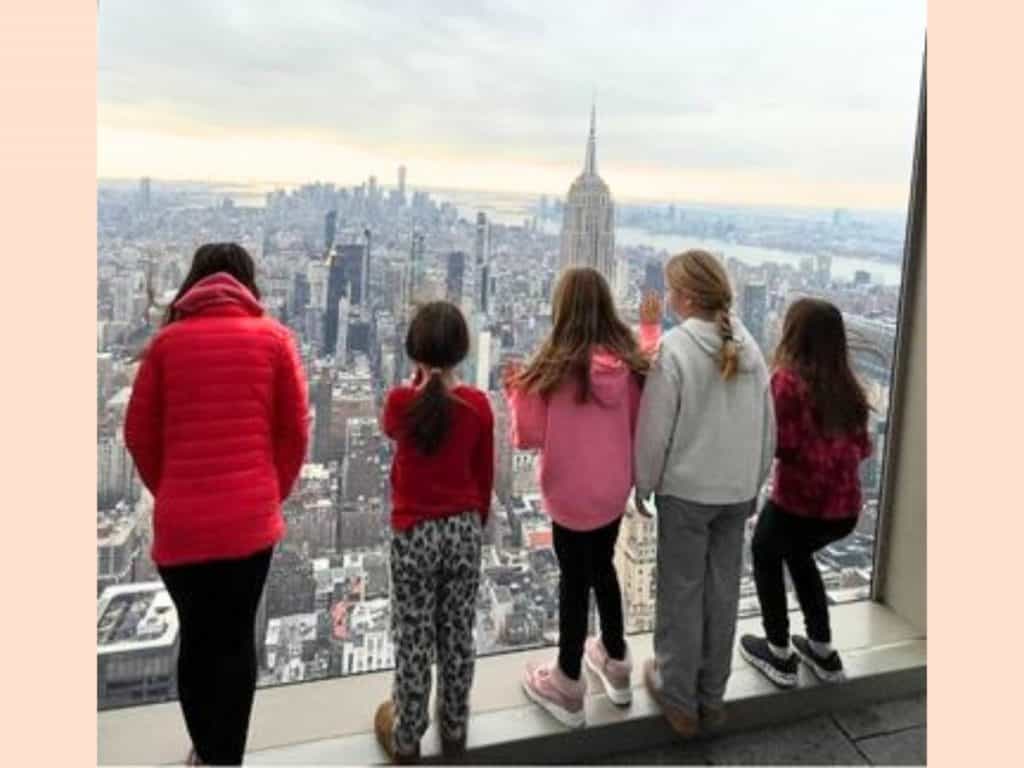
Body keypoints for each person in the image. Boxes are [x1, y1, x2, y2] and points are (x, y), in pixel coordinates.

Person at [124, 242, 310, 766]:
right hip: (250, 525)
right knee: (235, 641)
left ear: (194, 283)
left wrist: (174, 489)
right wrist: (270, 494)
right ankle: (226, 756)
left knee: (200, 642)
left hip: (183, 527)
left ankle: (206, 751)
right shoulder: (275, 340)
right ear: (247, 284)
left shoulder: (166, 344)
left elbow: (138, 434)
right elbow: (294, 433)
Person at [502, 267, 661, 728]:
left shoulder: (552, 368)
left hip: (569, 494)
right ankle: (615, 661)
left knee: (574, 581)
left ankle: (568, 684)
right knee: (603, 568)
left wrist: (517, 393)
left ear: (562, 309)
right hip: (612, 490)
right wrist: (650, 330)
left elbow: (526, 437)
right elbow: (648, 394)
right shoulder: (630, 365)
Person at [633, 249, 775, 738]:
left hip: (689, 495)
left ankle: (679, 700)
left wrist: (644, 483)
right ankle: (712, 696)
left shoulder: (675, 349)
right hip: (736, 493)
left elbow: (654, 430)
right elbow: (767, 429)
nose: (668, 297)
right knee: (722, 594)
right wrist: (752, 481)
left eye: (672, 289)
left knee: (681, 595)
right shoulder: (751, 346)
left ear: (688, 297)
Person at [374, 301, 494, 764]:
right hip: (462, 528)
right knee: (457, 632)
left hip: (415, 532)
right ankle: (455, 726)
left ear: (414, 352)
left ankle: (407, 736)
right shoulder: (478, 407)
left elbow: (391, 428)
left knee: (414, 636)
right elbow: (484, 474)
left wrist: (416, 383)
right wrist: (476, 522)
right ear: (462, 350)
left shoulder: (401, 403)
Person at [739, 298, 873, 688]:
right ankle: (822, 649)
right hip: (845, 510)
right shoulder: (850, 387)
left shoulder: (788, 381)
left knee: (765, 553)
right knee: (799, 557)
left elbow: (781, 444)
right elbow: (863, 448)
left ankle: (778, 652)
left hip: (799, 504)